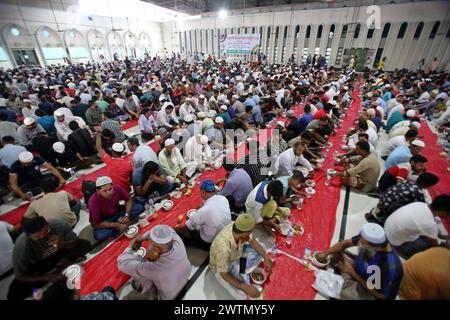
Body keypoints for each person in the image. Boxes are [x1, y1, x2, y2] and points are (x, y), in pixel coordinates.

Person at [7, 216, 91, 300]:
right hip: (41, 267)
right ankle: (57, 271)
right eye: (38, 237)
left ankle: (64, 264)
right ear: (28, 237)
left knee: (85, 244)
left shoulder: (59, 225)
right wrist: (49, 277)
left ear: (48, 225)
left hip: (61, 254)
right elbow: (20, 276)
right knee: (14, 293)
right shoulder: (22, 246)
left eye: (46, 232)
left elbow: (76, 242)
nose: (44, 237)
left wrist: (61, 244)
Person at [315, 223, 403, 300]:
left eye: (363, 244)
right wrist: (325, 253)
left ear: (375, 247)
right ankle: (347, 277)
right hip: (363, 270)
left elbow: (381, 295)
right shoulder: (369, 239)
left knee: (345, 292)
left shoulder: (391, 268)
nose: (359, 243)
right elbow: (345, 244)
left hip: (372, 290)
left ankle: (347, 279)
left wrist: (354, 274)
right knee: (335, 253)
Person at [117, 225, 191, 300]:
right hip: (183, 282)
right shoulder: (177, 241)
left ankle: (142, 288)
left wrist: (129, 247)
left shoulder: (152, 267)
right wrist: (143, 238)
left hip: (169, 297)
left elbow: (121, 263)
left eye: (150, 242)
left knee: (139, 273)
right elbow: (167, 229)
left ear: (156, 249)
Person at [209, 214, 273, 300]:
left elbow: (252, 241)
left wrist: (266, 257)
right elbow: (224, 274)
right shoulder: (222, 246)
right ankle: (239, 270)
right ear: (244, 232)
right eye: (250, 232)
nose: (251, 234)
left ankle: (241, 269)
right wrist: (245, 287)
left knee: (263, 248)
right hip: (223, 269)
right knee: (241, 295)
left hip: (236, 254)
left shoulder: (240, 228)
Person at [384, 195, 450, 259]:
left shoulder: (421, 204)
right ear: (443, 213)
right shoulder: (430, 224)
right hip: (394, 242)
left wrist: (442, 236)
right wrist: (444, 246)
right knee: (431, 251)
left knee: (429, 232)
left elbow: (434, 233)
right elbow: (435, 247)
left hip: (387, 229)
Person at [175, 180, 231, 250]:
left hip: (212, 240)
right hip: (226, 232)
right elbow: (213, 209)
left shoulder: (204, 210)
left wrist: (174, 229)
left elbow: (187, 225)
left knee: (182, 235)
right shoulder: (223, 198)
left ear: (203, 192)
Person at [367, 172, 439, 224]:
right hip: (385, 213)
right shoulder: (418, 193)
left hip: (380, 204)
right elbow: (422, 209)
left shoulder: (407, 182)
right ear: (429, 185)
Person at [88, 176, 143, 242]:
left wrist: (127, 214)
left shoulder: (116, 188)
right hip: (106, 220)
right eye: (104, 191)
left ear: (112, 186)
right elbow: (94, 224)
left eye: (110, 189)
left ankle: (122, 226)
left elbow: (128, 200)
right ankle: (123, 226)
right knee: (99, 235)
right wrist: (115, 225)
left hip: (118, 213)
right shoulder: (93, 201)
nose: (109, 193)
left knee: (138, 208)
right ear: (98, 191)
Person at [95, 128, 133, 193]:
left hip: (114, 193)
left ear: (112, 152)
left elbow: (99, 147)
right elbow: (132, 179)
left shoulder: (109, 161)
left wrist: (98, 134)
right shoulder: (128, 164)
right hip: (127, 191)